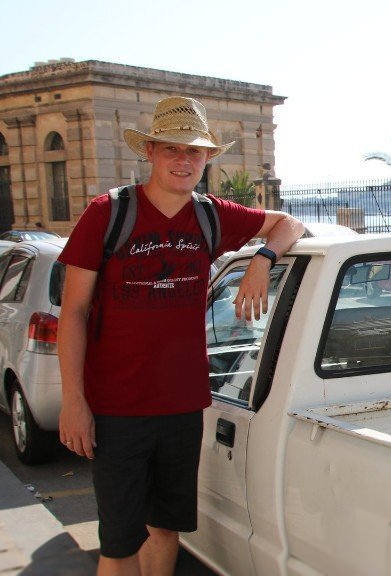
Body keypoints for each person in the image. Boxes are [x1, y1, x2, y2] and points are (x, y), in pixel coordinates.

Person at [57, 96, 304, 576]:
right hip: (116, 408)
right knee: (119, 544)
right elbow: (74, 313)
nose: (183, 160)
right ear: (150, 151)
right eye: (172, 148)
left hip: (181, 407)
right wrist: (74, 401)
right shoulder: (108, 213)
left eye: (194, 151)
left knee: (165, 528)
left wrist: (262, 260)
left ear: (207, 157)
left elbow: (288, 224)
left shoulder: (212, 215)